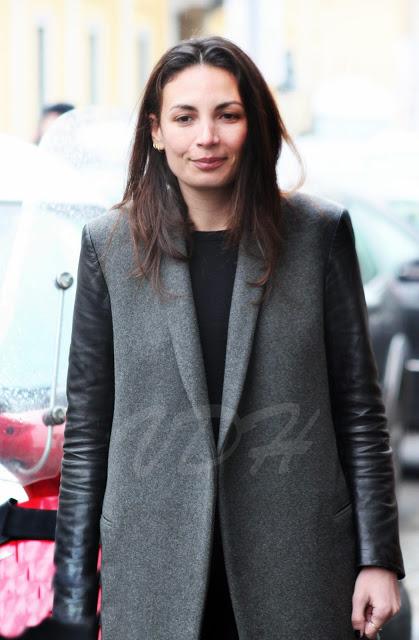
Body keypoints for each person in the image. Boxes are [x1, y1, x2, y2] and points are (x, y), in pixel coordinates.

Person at [51, 36, 404, 640]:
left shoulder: (318, 236)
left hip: (297, 568)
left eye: (228, 115)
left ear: (254, 124)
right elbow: (88, 435)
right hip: (153, 576)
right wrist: (74, 597)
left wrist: (378, 558)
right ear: (157, 131)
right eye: (185, 117)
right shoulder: (108, 247)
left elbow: (359, 413)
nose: (206, 137)